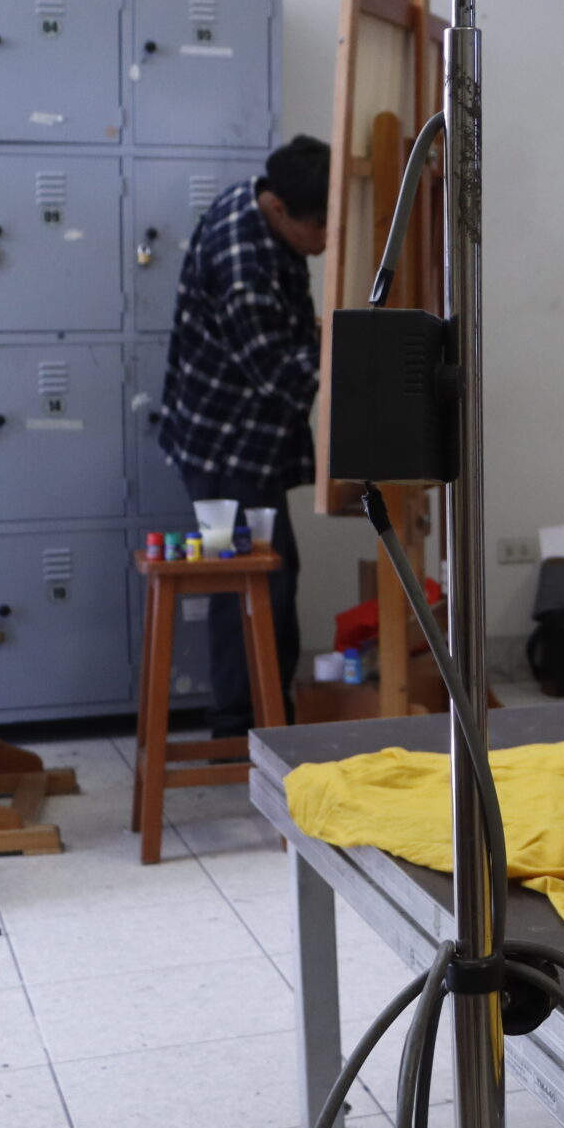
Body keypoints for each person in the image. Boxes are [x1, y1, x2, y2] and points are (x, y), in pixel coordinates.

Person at [157, 135, 331, 739]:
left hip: (241, 438)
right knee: (248, 585)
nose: (326, 238)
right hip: (223, 445)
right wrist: (352, 352)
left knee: (270, 576)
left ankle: (266, 718)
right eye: (318, 225)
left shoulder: (255, 199)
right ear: (278, 208)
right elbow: (281, 375)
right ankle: (240, 730)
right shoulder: (243, 270)